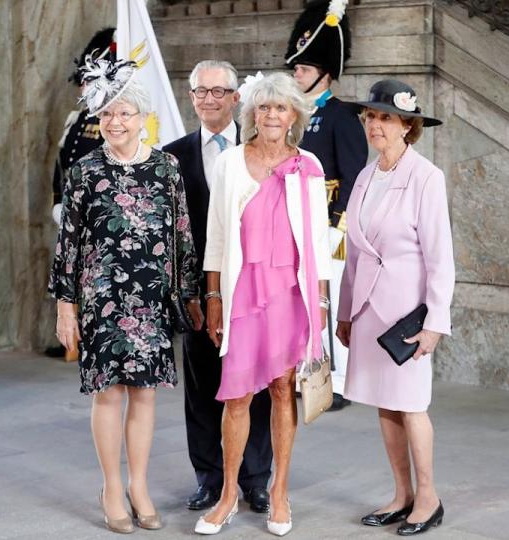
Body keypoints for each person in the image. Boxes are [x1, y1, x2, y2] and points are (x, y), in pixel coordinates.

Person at [50, 56, 203, 535]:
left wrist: (191, 296)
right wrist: (64, 306)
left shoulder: (166, 168)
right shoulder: (83, 172)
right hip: (100, 302)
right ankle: (111, 487)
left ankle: (139, 484)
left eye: (126, 113)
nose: (116, 121)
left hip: (151, 302)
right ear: (99, 119)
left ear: (143, 118)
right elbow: (69, 243)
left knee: (145, 394)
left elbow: (182, 237)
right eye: (108, 113)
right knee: (109, 393)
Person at [194, 71, 331, 536]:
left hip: (290, 293)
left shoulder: (308, 164)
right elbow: (215, 236)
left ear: (294, 116)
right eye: (265, 107)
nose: (273, 115)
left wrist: (322, 303)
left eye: (282, 108)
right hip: (241, 288)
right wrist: (213, 297)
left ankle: (279, 492)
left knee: (280, 389)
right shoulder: (230, 163)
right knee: (236, 395)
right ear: (252, 113)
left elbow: (319, 241)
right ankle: (228, 494)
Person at [336, 80, 454, 536]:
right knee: (386, 406)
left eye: (385, 117)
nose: (374, 124)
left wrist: (435, 324)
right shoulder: (366, 176)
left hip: (407, 315)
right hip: (368, 311)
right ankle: (402, 494)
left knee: (411, 405)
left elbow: (440, 257)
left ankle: (429, 497)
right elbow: (355, 251)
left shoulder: (426, 177)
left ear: (408, 125)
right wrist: (346, 313)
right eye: (370, 116)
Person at [163, 60, 274, 515]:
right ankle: (209, 479)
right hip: (195, 291)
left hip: (253, 285)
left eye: (218, 91)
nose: (208, 99)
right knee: (203, 385)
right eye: (199, 91)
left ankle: (255, 479)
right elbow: (169, 229)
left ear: (235, 99)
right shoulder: (171, 155)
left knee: (258, 386)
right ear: (191, 98)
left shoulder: (259, 152)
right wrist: (181, 290)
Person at [285, 0, 368, 410]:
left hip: (331, 224)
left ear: (324, 71)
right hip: (298, 220)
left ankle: (335, 383)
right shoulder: (294, 116)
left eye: (303, 67)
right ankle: (309, 373)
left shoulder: (341, 117)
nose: (296, 72)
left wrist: (342, 226)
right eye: (296, 67)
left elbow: (354, 176)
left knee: (331, 299)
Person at [45, 28, 116, 359]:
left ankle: (91, 339)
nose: (83, 86)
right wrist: (58, 202)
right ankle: (72, 339)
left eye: (90, 80)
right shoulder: (78, 119)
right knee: (71, 278)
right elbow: (62, 164)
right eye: (84, 79)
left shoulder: (109, 121)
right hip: (71, 212)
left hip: (96, 216)